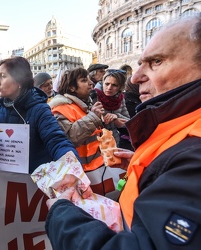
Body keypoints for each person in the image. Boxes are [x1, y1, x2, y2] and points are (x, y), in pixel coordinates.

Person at [45, 15, 201, 249]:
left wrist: (62, 216)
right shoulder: (181, 129)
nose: (136, 78)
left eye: (156, 61)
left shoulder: (194, 154)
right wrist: (151, 172)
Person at [0, 56, 79, 174]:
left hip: (33, 184)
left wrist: (72, 167)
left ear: (19, 81)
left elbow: (57, 140)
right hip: (4, 181)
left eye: (3, 76)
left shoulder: (39, 109)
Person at [49, 68, 125, 197]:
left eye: (90, 79)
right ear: (72, 87)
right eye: (84, 80)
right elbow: (69, 138)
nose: (91, 83)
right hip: (81, 175)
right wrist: (93, 117)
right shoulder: (60, 108)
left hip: (96, 171)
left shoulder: (83, 105)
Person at [95, 69, 130, 147]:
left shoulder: (120, 98)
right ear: (102, 82)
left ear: (120, 87)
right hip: (97, 142)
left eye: (114, 85)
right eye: (107, 84)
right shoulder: (93, 96)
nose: (109, 87)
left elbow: (128, 121)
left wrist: (116, 117)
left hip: (114, 141)